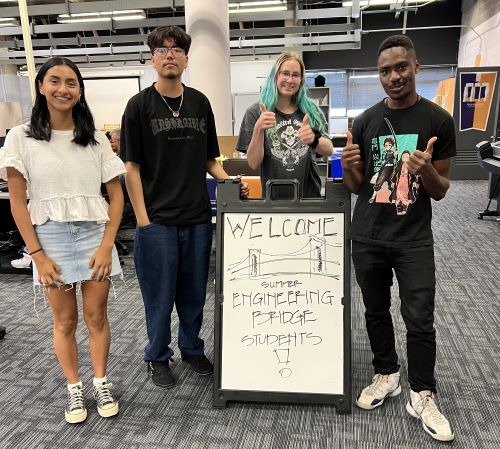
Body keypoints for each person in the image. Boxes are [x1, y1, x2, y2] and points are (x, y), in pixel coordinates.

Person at [121, 26, 248, 390]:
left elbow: (211, 159)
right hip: (157, 221)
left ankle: (192, 349)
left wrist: (227, 181)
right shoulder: (139, 106)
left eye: (177, 49)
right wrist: (143, 222)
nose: (170, 54)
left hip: (195, 218)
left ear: (186, 58)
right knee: (159, 298)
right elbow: (132, 168)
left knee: (194, 294)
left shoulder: (199, 102)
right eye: (163, 49)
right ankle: (157, 356)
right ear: (153, 58)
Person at [341, 35, 456, 442]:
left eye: (401, 67)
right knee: (375, 311)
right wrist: (348, 164)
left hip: (413, 238)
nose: (394, 76)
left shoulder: (438, 120)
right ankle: (386, 373)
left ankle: (422, 393)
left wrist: (424, 170)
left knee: (419, 318)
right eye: (386, 71)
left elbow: (441, 190)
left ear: (416, 67)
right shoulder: (367, 120)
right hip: (368, 234)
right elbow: (359, 187)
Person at [0, 57, 125, 424]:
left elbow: (116, 196)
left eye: (71, 82)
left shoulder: (95, 138)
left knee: (96, 316)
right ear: (40, 86)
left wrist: (107, 244)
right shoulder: (19, 138)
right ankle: (74, 390)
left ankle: (101, 382)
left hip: (94, 234)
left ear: (80, 90)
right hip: (50, 236)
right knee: (65, 321)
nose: (63, 89)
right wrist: (36, 254)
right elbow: (19, 204)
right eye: (54, 81)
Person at [236, 52, 333, 199]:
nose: (290, 80)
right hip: (273, 200)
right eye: (285, 73)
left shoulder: (311, 110)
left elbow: (329, 150)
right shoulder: (256, 112)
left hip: (309, 198)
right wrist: (258, 130)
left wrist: (314, 138)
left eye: (295, 75)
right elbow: (253, 163)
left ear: (301, 79)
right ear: (275, 76)